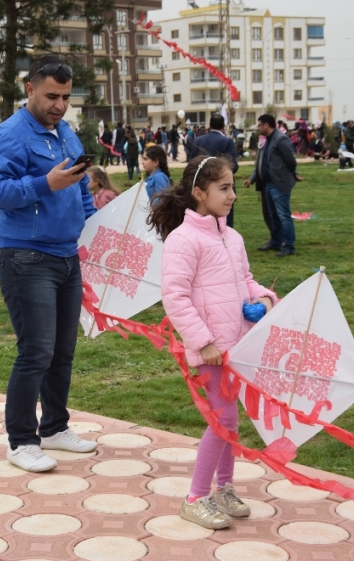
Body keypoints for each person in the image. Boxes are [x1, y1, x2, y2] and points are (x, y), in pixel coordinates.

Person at [0, 55, 99, 473]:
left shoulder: (66, 132)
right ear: (29, 89)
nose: (60, 105)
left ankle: (53, 426)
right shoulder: (10, 134)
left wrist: (94, 223)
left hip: (67, 255)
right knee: (35, 351)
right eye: (52, 96)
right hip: (26, 257)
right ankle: (21, 440)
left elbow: (81, 186)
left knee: (62, 351)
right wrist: (44, 183)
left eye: (66, 97)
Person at [149, 155, 278, 529]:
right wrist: (202, 341)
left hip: (237, 345)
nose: (233, 194)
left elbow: (247, 280)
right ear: (200, 193)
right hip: (212, 349)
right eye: (224, 188)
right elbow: (175, 296)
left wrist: (265, 300)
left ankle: (224, 487)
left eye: (233, 186)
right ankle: (195, 497)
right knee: (222, 419)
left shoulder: (232, 237)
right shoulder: (183, 240)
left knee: (230, 419)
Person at [244, 114, 297, 257]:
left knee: (283, 216)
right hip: (268, 184)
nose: (258, 128)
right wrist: (253, 178)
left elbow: (290, 161)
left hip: (279, 184)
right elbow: (261, 163)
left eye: (260, 125)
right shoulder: (266, 140)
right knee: (273, 215)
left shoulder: (280, 139)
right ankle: (276, 242)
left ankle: (289, 246)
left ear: (266, 125)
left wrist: (289, 174)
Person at [189, 115, 239, 227]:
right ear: (223, 126)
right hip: (223, 188)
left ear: (210, 126)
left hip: (201, 188)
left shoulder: (198, 140)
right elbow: (233, 166)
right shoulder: (227, 141)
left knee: (201, 220)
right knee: (224, 223)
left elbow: (192, 165)